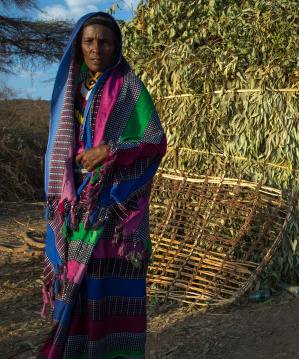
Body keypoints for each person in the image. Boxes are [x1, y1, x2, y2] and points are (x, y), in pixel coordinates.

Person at [38, 12, 166, 359]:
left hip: (115, 209)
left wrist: (109, 151)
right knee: (75, 289)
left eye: (105, 42)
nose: (97, 48)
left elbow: (155, 143)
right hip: (75, 208)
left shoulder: (130, 89)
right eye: (89, 41)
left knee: (108, 288)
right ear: (79, 46)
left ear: (116, 46)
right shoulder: (69, 91)